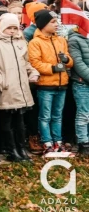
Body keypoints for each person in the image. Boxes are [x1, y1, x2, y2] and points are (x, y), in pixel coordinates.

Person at [0, 13, 37, 162]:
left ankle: (21, 148)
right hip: (7, 89)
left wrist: (33, 72)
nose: (12, 31)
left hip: (21, 88)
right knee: (7, 122)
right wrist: (2, 82)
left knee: (20, 122)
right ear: (3, 28)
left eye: (15, 28)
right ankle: (11, 149)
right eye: (9, 28)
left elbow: (26, 63)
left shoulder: (21, 43)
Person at [28, 10, 74, 156]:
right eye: (52, 22)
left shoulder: (61, 40)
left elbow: (69, 59)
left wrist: (66, 61)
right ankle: (46, 142)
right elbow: (35, 63)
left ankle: (58, 142)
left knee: (57, 115)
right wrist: (53, 68)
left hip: (62, 84)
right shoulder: (35, 42)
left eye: (56, 21)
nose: (56, 24)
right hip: (45, 85)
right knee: (45, 116)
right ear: (43, 24)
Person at [68, 25, 89, 156]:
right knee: (83, 114)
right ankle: (83, 143)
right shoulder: (74, 40)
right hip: (82, 83)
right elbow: (78, 63)